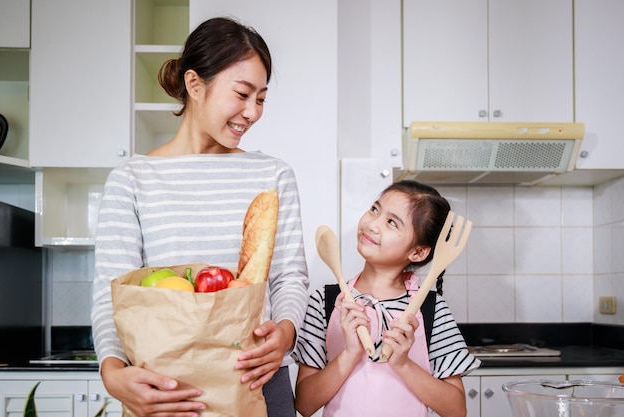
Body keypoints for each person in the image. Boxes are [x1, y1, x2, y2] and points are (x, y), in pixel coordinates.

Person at [91, 17, 309, 417]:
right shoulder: (133, 179)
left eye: (261, 98)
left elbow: (289, 277)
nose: (252, 112)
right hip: (165, 390)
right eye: (242, 93)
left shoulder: (272, 176)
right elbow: (112, 292)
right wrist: (112, 372)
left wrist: (286, 334)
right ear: (195, 85)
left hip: (255, 382)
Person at [293, 180, 481, 417]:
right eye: (375, 209)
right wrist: (350, 353)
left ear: (418, 252)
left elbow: (456, 410)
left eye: (392, 222)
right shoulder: (326, 301)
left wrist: (403, 363)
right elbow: (304, 404)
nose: (372, 224)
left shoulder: (432, 309)